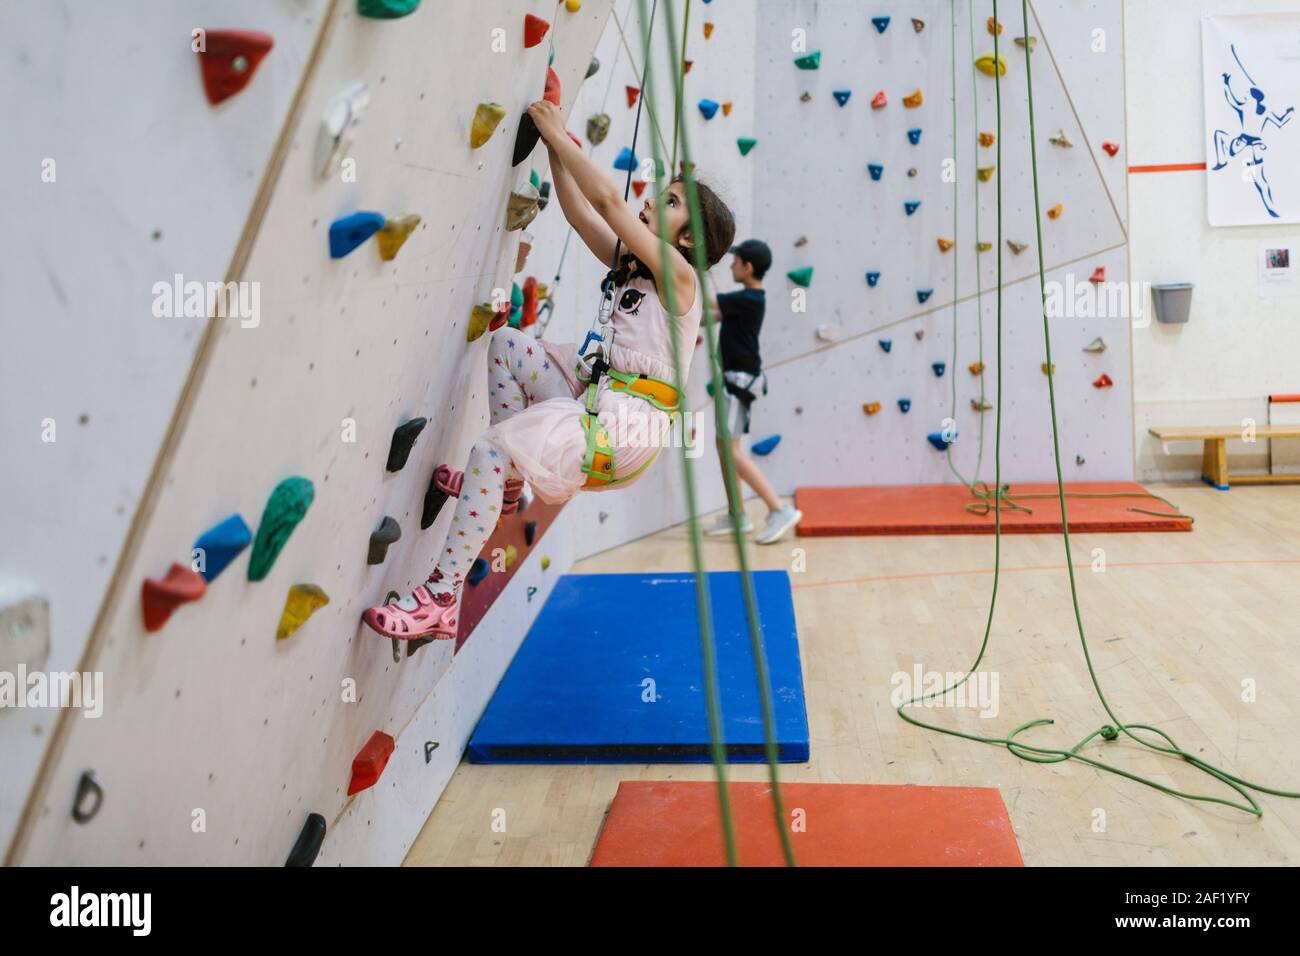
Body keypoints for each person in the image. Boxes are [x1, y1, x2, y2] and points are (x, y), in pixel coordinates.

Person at [361, 98, 736, 640]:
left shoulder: (679, 278)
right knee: (509, 346)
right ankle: (506, 485)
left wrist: (559, 134)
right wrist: (554, 147)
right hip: (598, 398)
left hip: (623, 429)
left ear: (688, 240)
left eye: (671, 200)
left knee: (490, 449)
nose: (655, 197)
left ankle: (441, 599)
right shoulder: (636, 269)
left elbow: (608, 201)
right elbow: (582, 215)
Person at [702, 240, 801, 545]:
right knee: (724, 449)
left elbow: (709, 304)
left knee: (731, 452)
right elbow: (709, 317)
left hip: (739, 383)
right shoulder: (743, 302)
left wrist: (688, 274)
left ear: (748, 268)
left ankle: (778, 509)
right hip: (735, 381)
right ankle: (737, 515)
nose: (731, 266)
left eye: (735, 262)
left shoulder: (750, 298)